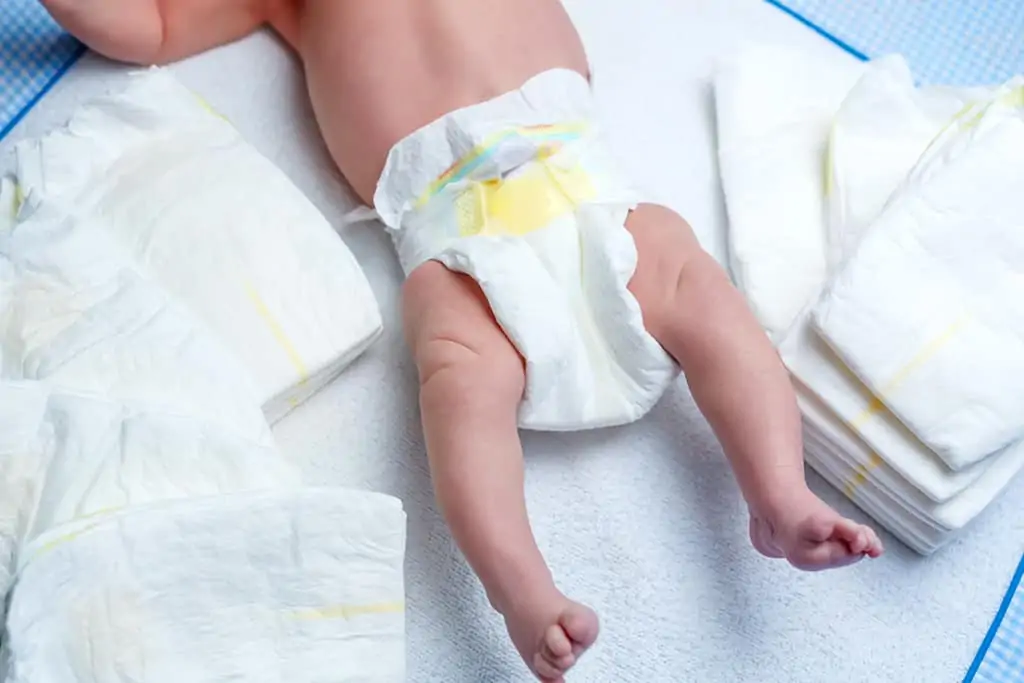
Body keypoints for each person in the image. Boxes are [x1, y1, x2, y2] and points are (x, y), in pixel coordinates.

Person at [41, 1, 884, 680]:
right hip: (451, 235)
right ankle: (523, 590)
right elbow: (148, 25)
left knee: (705, 300)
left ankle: (779, 497)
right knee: (459, 381)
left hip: (584, 180)